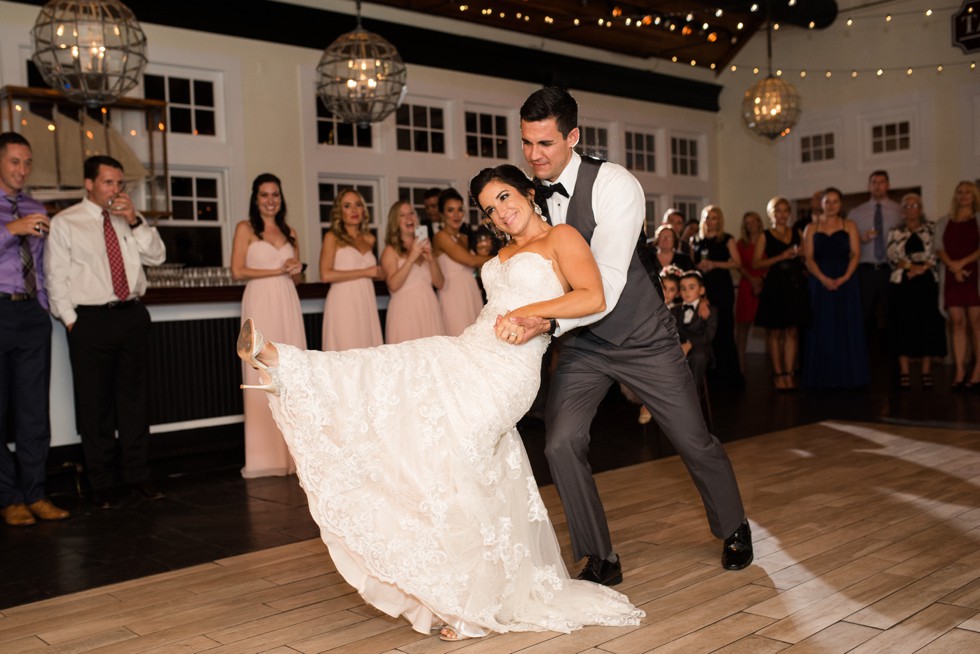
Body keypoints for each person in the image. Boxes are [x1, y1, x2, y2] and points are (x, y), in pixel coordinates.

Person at [236, 164, 644, 641]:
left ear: (528, 193)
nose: (501, 213)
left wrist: (532, 316)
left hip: (509, 372)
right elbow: (492, 310)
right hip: (473, 347)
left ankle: (472, 604)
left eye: (506, 198)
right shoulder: (503, 251)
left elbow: (593, 296)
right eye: (491, 208)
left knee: (457, 459)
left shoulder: (562, 239)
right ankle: (285, 364)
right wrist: (494, 324)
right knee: (402, 368)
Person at [509, 87, 751, 584]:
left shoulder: (616, 185)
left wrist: (550, 322)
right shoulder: (530, 194)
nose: (534, 155)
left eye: (546, 144)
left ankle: (734, 525)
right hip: (584, 345)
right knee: (560, 444)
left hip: (642, 335)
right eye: (527, 143)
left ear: (573, 137)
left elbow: (609, 282)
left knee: (691, 438)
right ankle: (600, 556)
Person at [45, 155, 167, 507]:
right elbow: (56, 277)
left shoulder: (128, 219)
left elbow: (157, 256)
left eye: (119, 183)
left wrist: (135, 219)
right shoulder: (66, 222)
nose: (116, 190)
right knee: (94, 407)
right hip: (91, 322)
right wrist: (71, 321)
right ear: (89, 183)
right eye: (108, 183)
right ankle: (103, 485)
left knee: (134, 403)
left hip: (131, 315)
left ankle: (138, 477)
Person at [0, 132, 69, 526]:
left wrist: (43, 307)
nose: (22, 170)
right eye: (14, 162)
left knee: (33, 412)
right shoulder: (18, 216)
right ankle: (9, 498)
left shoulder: (34, 206)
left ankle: (36, 493)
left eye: (27, 163)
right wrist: (12, 229)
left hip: (30, 316)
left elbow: (42, 264)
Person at [231, 173, 306, 478]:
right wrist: (276, 269)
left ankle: (295, 455)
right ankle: (264, 457)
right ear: (255, 197)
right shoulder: (246, 229)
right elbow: (237, 270)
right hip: (260, 301)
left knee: (290, 371)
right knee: (261, 369)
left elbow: (296, 277)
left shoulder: (290, 231)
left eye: (275, 194)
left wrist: (295, 270)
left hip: (287, 300)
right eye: (264, 195)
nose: (270, 200)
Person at [801, 187, 869, 389]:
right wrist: (822, 278)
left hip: (845, 281)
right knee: (820, 326)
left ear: (841, 204)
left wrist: (845, 277)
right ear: (821, 204)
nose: (831, 205)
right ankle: (821, 377)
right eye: (827, 201)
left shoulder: (849, 225)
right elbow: (808, 258)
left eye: (835, 201)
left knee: (845, 325)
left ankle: (849, 376)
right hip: (819, 281)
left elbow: (856, 254)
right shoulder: (811, 228)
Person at [885, 193, 946, 389]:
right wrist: (910, 268)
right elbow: (892, 256)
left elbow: (937, 252)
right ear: (902, 211)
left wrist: (922, 268)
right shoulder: (895, 231)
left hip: (927, 281)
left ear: (921, 208)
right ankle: (905, 372)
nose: (911, 208)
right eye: (907, 205)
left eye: (915, 205)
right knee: (903, 326)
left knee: (927, 325)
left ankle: (926, 371)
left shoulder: (932, 228)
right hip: (903, 282)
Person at [753, 196, 811, 391]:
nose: (783, 214)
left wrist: (801, 254)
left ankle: (789, 372)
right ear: (771, 214)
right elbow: (756, 263)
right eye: (778, 211)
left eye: (786, 210)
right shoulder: (765, 235)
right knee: (775, 331)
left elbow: (805, 257)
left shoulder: (797, 232)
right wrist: (781, 256)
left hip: (794, 284)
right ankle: (778, 374)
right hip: (775, 285)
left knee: (792, 330)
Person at [320, 188, 384, 351]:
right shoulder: (332, 237)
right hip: (343, 301)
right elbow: (326, 275)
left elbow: (372, 271)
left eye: (358, 205)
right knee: (347, 350)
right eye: (347, 206)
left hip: (366, 299)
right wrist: (366, 272)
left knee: (367, 351)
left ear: (364, 209)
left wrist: (378, 273)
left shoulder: (369, 238)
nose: (354, 210)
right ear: (339, 212)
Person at [691, 205, 744, 389]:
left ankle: (728, 376)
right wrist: (700, 266)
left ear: (719, 220)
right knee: (703, 329)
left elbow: (737, 263)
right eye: (706, 217)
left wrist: (715, 264)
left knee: (724, 329)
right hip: (703, 289)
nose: (710, 221)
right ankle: (708, 377)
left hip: (721, 288)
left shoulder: (727, 239)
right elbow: (692, 266)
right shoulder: (695, 240)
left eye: (713, 217)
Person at [380, 200, 445, 344]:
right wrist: (412, 257)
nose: (409, 218)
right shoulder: (390, 251)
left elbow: (440, 283)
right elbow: (393, 285)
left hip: (429, 308)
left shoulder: (425, 244)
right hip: (405, 312)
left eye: (411, 213)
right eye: (402, 215)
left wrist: (430, 259)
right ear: (395, 222)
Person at [935, 181, 980, 390]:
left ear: (974, 197)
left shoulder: (978, 219)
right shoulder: (944, 221)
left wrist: (962, 264)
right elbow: (938, 248)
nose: (963, 196)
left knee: (976, 324)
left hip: (974, 276)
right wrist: (954, 266)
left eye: (968, 193)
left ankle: (978, 368)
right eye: (960, 192)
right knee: (957, 323)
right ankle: (960, 369)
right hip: (952, 277)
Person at [850, 170, 902, 340]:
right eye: (874, 182)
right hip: (866, 270)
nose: (878, 186)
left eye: (881, 182)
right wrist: (861, 238)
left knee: (892, 315)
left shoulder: (899, 210)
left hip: (891, 269)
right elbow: (846, 242)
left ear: (888, 185)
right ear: (869, 186)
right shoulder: (856, 213)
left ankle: (895, 362)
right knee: (865, 316)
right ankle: (865, 360)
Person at [432, 188, 490, 336]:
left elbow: (474, 267)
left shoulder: (464, 237)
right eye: (451, 210)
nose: (456, 215)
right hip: (452, 296)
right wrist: (505, 255)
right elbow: (470, 261)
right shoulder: (440, 237)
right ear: (442, 214)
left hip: (471, 292)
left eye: (459, 209)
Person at [672, 270, 717, 387]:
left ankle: (692, 393)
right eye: (683, 288)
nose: (687, 292)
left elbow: (708, 335)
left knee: (698, 356)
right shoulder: (674, 310)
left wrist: (690, 344)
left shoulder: (710, 310)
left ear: (701, 290)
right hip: (678, 348)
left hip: (699, 348)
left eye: (691, 288)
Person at [735, 211, 764, 375]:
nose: (751, 225)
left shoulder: (766, 239)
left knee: (771, 327)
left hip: (765, 284)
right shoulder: (741, 243)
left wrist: (761, 280)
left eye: (754, 221)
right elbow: (739, 265)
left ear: (759, 222)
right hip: (747, 285)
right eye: (747, 222)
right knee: (742, 328)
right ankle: (740, 368)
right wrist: (752, 279)